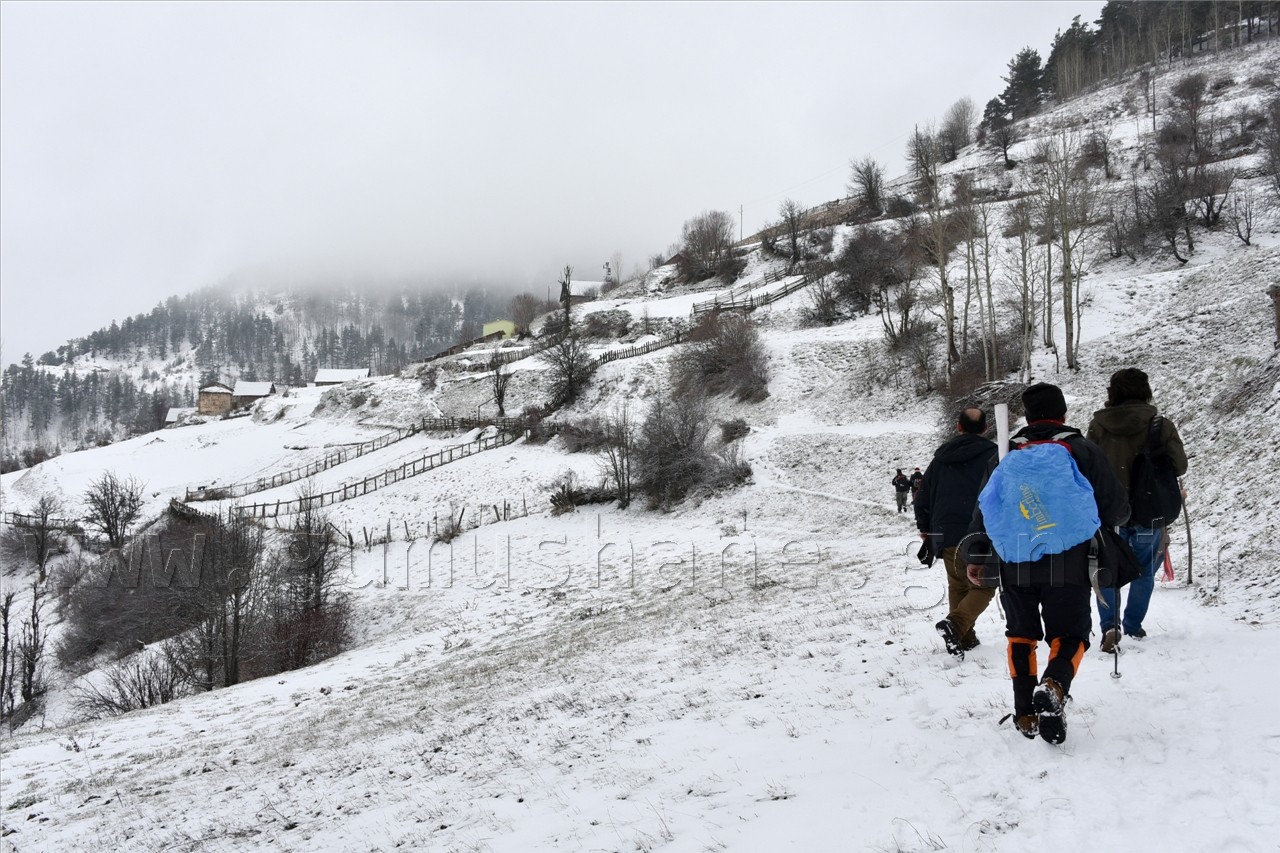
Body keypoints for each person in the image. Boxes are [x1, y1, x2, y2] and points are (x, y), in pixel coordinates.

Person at [963, 383, 1128, 744]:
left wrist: (976, 557)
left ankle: (1025, 712)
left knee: (1021, 634)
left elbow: (986, 507)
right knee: (1070, 634)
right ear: (1063, 413)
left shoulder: (1006, 452)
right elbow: (1116, 507)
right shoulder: (1081, 449)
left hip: (1014, 558)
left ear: (1027, 416)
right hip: (1068, 557)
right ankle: (1054, 684)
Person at [1086, 368, 1188, 652]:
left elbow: (1087, 467)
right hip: (1149, 509)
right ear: (1145, 391)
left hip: (1109, 512)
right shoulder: (1160, 425)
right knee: (1144, 571)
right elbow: (1180, 465)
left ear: (1113, 392)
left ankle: (1110, 626)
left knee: (1107, 568)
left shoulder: (1098, 425)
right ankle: (1133, 626)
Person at [915, 407, 998, 659]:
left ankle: (965, 638)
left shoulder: (940, 459)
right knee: (984, 585)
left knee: (958, 584)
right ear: (985, 428)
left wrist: (925, 528)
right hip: (981, 531)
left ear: (958, 427)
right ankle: (956, 625)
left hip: (946, 531)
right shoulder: (994, 455)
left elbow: (922, 496)